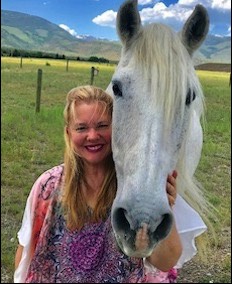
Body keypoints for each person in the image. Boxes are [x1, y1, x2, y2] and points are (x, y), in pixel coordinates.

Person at [14, 85, 193, 283]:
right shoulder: (48, 186)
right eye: (81, 128)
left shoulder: (135, 188)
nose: (92, 136)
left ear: (117, 128)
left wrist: (164, 206)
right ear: (68, 133)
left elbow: (165, 261)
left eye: (102, 126)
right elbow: (26, 251)